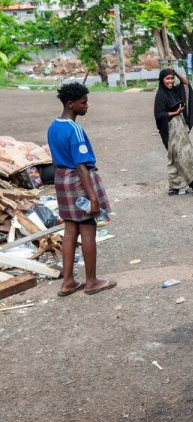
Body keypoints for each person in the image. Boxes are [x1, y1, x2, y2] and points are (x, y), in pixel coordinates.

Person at [47, 83, 116, 296]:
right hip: (78, 181)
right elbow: (81, 166)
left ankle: (67, 281)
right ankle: (91, 281)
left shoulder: (53, 127)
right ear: (71, 104)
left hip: (61, 180)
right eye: (83, 102)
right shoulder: (75, 130)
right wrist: (93, 197)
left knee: (70, 230)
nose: (87, 106)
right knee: (87, 228)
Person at [154, 67, 193, 197]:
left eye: (171, 78)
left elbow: (186, 84)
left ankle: (175, 187)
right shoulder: (160, 96)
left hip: (180, 129)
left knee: (176, 158)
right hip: (171, 131)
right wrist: (175, 112)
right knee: (185, 156)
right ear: (161, 81)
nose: (170, 81)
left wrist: (175, 73)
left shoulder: (174, 91)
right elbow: (159, 115)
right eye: (167, 78)